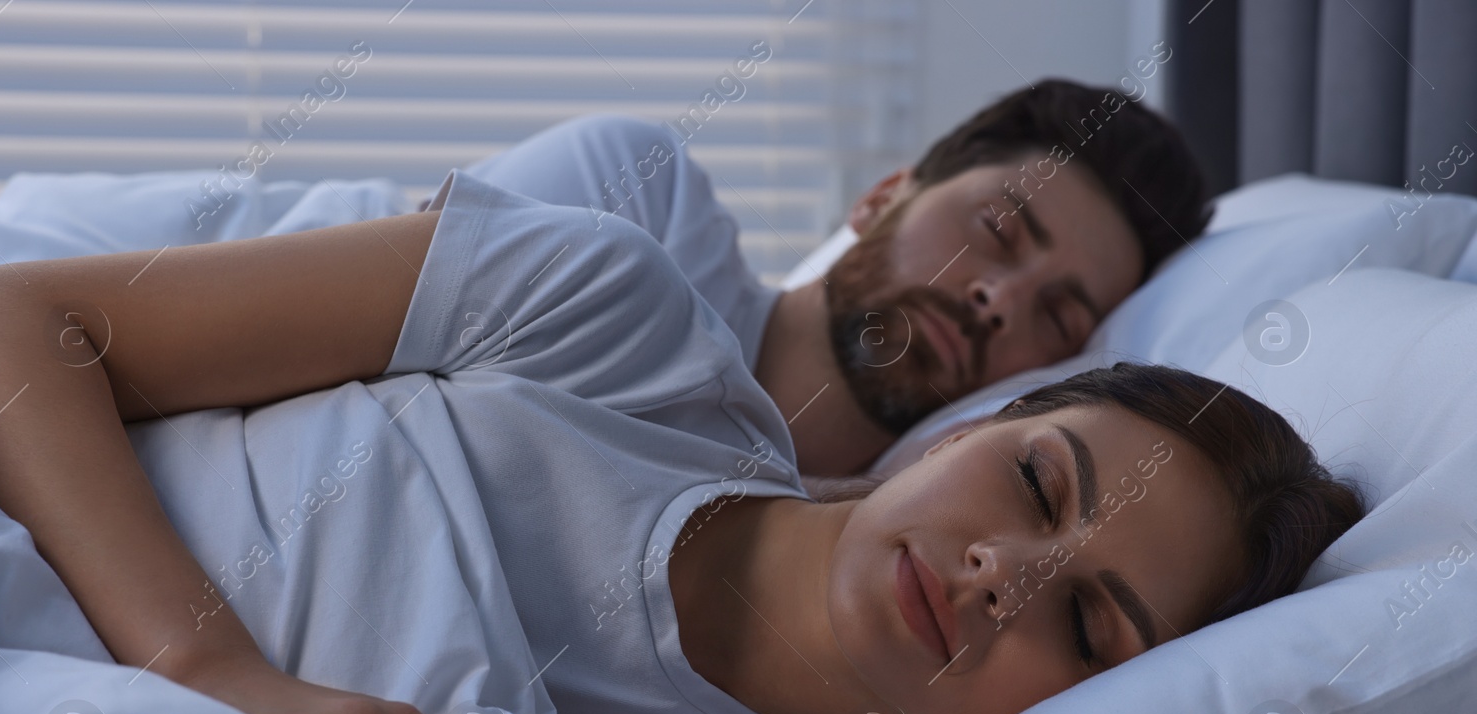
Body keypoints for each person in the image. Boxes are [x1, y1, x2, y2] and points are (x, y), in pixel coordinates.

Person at [0, 166, 1372, 714]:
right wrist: (212, 668)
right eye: (1039, 484)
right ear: (963, 429)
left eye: (1094, 628)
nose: (1006, 576)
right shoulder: (615, 323)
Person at [459, 79, 1208, 475]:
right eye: (998, 230)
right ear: (883, 197)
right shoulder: (641, 197)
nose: (999, 299)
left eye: (1060, 318)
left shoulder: (866, 565)